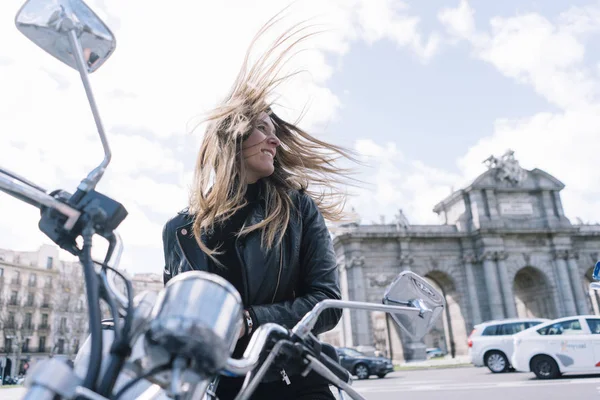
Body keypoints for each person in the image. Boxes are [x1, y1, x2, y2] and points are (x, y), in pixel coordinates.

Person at [161, 15, 357, 400]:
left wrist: (250, 320)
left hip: (295, 380)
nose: (274, 141)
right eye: (263, 129)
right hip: (224, 387)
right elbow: (176, 312)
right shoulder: (179, 230)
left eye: (275, 132)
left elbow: (327, 303)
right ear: (232, 135)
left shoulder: (297, 209)